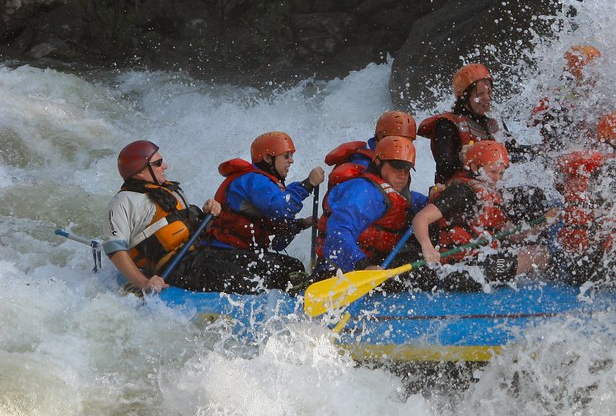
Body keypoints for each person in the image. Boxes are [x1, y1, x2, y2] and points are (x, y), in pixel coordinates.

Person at [411, 140, 550, 290]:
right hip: (457, 272)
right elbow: (421, 218)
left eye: (501, 173)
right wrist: (427, 247)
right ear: (474, 167)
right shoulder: (460, 191)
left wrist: (545, 222)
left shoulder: (492, 197)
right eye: (492, 172)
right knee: (537, 255)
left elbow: (514, 235)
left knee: (541, 251)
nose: (497, 178)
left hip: (481, 263)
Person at [200, 131, 325, 292]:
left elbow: (276, 243)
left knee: (294, 267)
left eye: (291, 156)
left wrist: (299, 225)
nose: (291, 160)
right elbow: (280, 209)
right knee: (287, 273)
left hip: (240, 251)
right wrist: (308, 184)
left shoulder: (266, 184)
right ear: (267, 158)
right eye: (286, 156)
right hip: (224, 252)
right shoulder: (254, 180)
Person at [552, 110, 616, 286]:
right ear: (614, 140)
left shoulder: (596, 165)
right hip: (592, 266)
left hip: (576, 260)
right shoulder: (611, 169)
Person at [102, 140, 220, 293]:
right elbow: (114, 250)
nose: (165, 166)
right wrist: (144, 283)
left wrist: (210, 211)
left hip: (202, 253)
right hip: (178, 267)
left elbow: (185, 224)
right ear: (140, 172)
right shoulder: (123, 201)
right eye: (158, 163)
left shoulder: (165, 190)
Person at [314, 111, 417, 263]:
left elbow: (399, 198)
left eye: (410, 141)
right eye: (400, 139)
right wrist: (360, 263)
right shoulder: (363, 180)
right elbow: (341, 226)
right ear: (380, 137)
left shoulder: (390, 167)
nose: (405, 147)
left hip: (372, 250)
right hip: (349, 259)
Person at [320, 136, 429, 278]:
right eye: (397, 166)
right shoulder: (363, 192)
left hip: (373, 263)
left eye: (407, 169)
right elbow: (338, 233)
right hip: (343, 270)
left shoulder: (396, 192)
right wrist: (362, 266)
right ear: (378, 162)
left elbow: (423, 203)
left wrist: (439, 195)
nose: (402, 174)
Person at [418, 63, 528, 186]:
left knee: (535, 194)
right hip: (459, 190)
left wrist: (541, 151)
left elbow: (513, 152)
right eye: (480, 94)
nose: (487, 98)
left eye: (489, 92)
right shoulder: (447, 124)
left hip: (490, 189)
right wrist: (460, 158)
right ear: (465, 97)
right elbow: (443, 169)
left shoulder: (494, 121)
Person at [530, 44, 602, 145]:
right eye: (594, 72)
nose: (597, 76)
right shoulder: (553, 99)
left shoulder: (601, 102)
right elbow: (531, 123)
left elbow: (530, 123)